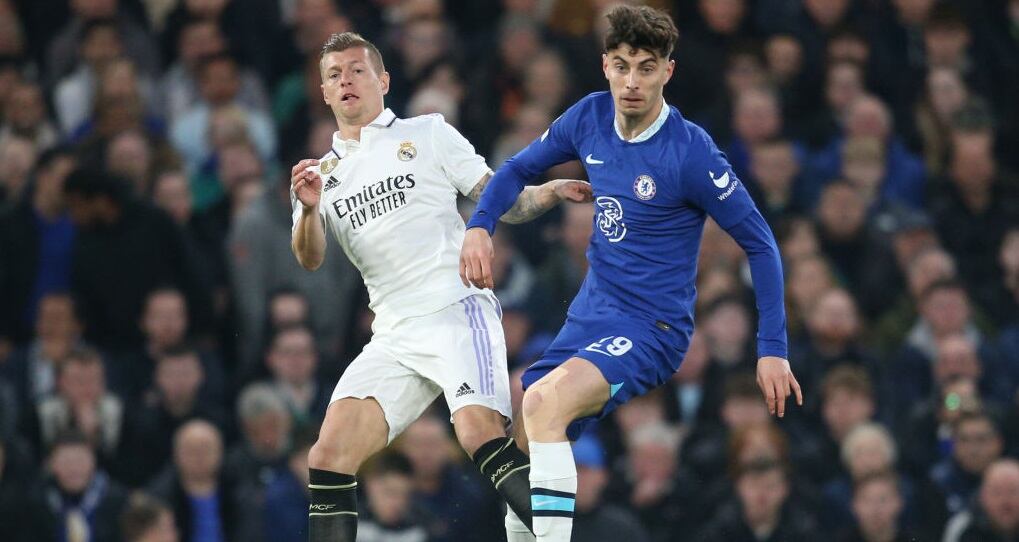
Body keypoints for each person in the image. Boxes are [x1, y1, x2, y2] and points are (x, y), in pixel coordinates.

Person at [460, 6, 799, 541]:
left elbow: (760, 243)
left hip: (651, 328)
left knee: (546, 401)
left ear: (668, 70)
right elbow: (518, 169)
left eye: (646, 67)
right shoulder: (589, 118)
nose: (632, 81)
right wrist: (480, 226)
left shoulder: (691, 153)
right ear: (604, 66)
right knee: (525, 422)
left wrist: (773, 347)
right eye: (621, 66)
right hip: (592, 311)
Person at [289, 32, 593, 542]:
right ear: (323, 92)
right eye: (335, 74)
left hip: (455, 307)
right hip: (393, 335)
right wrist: (311, 209)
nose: (346, 80)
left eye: (357, 70)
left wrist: (548, 191)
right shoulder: (318, 177)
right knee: (328, 455)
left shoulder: (428, 133)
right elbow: (310, 257)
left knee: (478, 434)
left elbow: (497, 197)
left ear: (382, 81)